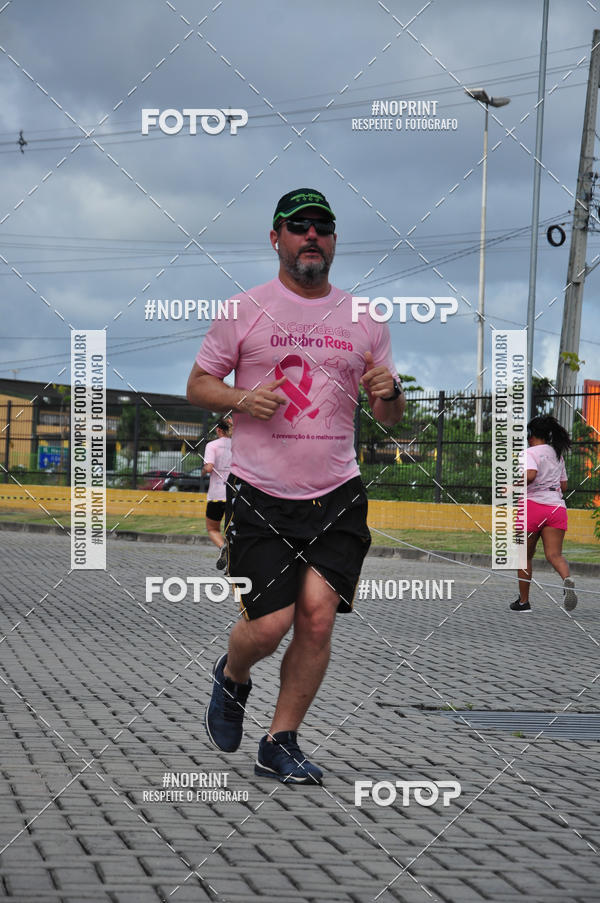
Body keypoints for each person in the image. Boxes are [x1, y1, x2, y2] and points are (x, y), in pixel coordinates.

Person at [187, 187, 405, 784]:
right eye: (299, 226)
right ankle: (232, 678)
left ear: (333, 241)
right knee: (270, 623)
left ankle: (280, 740)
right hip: (260, 490)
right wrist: (239, 396)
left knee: (316, 618)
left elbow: (388, 418)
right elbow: (198, 383)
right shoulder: (244, 310)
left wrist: (389, 393)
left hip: (336, 492)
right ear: (277, 238)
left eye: (323, 227)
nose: (313, 236)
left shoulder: (365, 320)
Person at [510, 414, 578, 613]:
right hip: (556, 508)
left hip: (531, 507)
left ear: (530, 434)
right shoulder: (557, 453)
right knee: (554, 554)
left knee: (524, 557)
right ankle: (567, 580)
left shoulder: (529, 453)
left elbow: (530, 475)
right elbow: (563, 485)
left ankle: (524, 602)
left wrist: (512, 486)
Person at [202, 418, 233, 570]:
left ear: (219, 430)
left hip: (216, 495)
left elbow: (208, 468)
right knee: (233, 530)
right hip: (234, 495)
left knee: (213, 529)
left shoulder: (212, 445)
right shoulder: (238, 446)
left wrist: (203, 471)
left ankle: (223, 547)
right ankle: (235, 559)